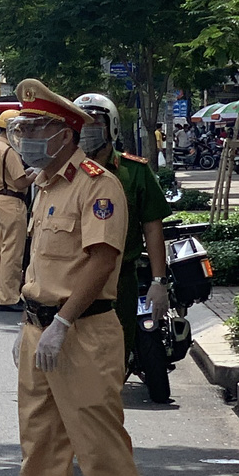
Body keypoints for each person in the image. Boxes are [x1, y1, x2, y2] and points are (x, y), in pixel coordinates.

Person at [0, 79, 153, 476]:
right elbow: (43, 262)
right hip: (41, 332)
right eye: (23, 126)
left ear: (65, 133)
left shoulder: (97, 185)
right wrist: (32, 321)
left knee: (101, 450)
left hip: (82, 332)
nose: (25, 135)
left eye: (35, 127)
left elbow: (101, 259)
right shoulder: (45, 185)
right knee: (40, 448)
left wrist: (62, 322)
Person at [73, 93, 171, 377]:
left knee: (115, 357)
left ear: (112, 127)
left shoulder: (134, 171)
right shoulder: (66, 172)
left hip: (121, 281)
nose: (88, 130)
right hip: (73, 276)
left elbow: (153, 227)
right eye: (82, 123)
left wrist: (158, 282)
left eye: (95, 123)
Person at [0, 108, 32, 312]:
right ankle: (10, 297)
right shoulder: (9, 151)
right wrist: (37, 173)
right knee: (13, 252)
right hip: (13, 202)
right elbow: (20, 182)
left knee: (1, 252)